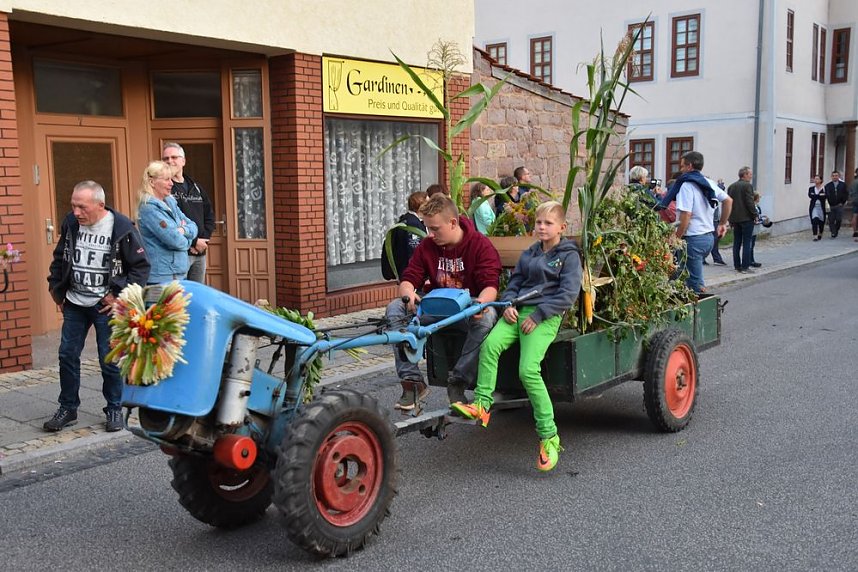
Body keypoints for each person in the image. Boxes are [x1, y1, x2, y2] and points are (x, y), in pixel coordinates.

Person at [451, 201, 581, 472]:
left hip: (545, 316)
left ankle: (549, 437)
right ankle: (482, 405)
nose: (542, 227)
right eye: (539, 223)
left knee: (528, 371)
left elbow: (568, 294)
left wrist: (539, 315)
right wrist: (508, 304)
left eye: (548, 223)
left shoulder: (569, 256)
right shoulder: (529, 253)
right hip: (517, 312)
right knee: (490, 346)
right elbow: (514, 284)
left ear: (562, 227)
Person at [45, 181, 151, 432]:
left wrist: (118, 296)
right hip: (74, 301)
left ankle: (114, 408)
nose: (76, 212)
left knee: (109, 359)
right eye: (73, 206)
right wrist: (55, 289)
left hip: (106, 306)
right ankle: (68, 407)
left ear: (100, 205)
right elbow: (60, 256)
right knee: (67, 355)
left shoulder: (122, 227)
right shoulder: (71, 223)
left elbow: (141, 267)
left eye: (82, 207)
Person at [385, 194, 501, 411]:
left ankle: (458, 382)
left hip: (466, 310)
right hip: (435, 307)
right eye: (427, 228)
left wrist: (481, 303)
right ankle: (412, 383)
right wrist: (408, 293)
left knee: (488, 315)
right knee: (395, 308)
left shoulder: (480, 245)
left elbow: (491, 285)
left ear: (453, 222)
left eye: (435, 229)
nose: (430, 234)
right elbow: (409, 277)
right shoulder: (427, 246)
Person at [673, 151, 733, 294]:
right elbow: (728, 200)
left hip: (693, 237)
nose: (680, 170)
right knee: (683, 277)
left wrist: (676, 237)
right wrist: (722, 223)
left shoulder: (686, 186)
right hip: (707, 237)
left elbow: (686, 214)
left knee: (695, 284)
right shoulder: (709, 183)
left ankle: (702, 313)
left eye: (682, 167)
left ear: (690, 166)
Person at [136, 161, 197, 284]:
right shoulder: (149, 208)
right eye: (167, 179)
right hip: (162, 277)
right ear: (152, 182)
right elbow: (175, 240)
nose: (171, 183)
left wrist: (183, 230)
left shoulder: (170, 202)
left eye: (171, 179)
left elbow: (194, 226)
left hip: (177, 274)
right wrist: (188, 240)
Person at [162, 143, 215, 283]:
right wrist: (193, 242)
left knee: (196, 296)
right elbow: (168, 224)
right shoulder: (164, 189)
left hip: (200, 253)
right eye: (165, 158)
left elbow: (209, 215)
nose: (169, 161)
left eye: (174, 157)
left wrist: (203, 240)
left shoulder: (195, 187)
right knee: (178, 296)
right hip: (178, 254)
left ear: (183, 161)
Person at [381, 190, 427, 280]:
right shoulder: (413, 225)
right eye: (428, 203)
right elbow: (414, 252)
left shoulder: (405, 219)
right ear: (421, 206)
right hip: (412, 275)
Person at [727, 166, 757, 273]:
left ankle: (737, 265)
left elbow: (729, 204)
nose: (751, 176)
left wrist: (729, 218)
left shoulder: (731, 187)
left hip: (735, 219)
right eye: (749, 174)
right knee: (747, 242)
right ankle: (745, 266)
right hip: (746, 218)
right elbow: (750, 202)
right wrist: (755, 214)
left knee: (737, 242)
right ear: (744, 175)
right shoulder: (747, 186)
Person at [824, 171, 848, 238]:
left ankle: (836, 229)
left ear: (839, 176)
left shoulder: (843, 185)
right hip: (831, 205)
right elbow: (827, 194)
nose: (835, 177)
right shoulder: (828, 185)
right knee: (831, 220)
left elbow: (846, 194)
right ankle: (833, 232)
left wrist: (842, 202)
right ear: (831, 177)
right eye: (833, 176)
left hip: (839, 205)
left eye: (836, 175)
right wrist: (828, 202)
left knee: (838, 219)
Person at [808, 175, 827, 241]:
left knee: (821, 221)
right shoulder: (811, 188)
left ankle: (820, 233)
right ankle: (815, 236)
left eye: (817, 179)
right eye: (815, 179)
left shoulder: (824, 188)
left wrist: (816, 195)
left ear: (820, 180)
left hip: (821, 207)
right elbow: (810, 195)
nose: (816, 180)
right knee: (814, 220)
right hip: (814, 207)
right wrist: (819, 195)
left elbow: (825, 196)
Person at [850, 168, 858, 242]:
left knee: (855, 215)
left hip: (855, 200)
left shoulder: (853, 182)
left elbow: (850, 192)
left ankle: (855, 231)